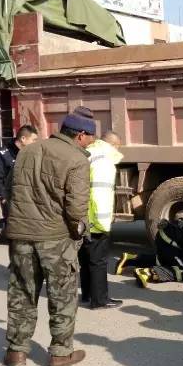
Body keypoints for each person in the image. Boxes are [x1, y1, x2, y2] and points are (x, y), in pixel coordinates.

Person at [4, 107, 95, 366]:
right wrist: (78, 235)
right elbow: (77, 209)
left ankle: (16, 352)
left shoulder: (27, 151)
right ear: (80, 135)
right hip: (55, 239)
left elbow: (10, 189)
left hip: (21, 236)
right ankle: (60, 353)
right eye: (91, 137)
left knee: (21, 292)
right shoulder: (77, 159)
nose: (92, 142)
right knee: (62, 296)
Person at [78, 131, 124, 310]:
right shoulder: (105, 161)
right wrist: (103, 223)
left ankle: (87, 295)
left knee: (85, 259)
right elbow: (99, 193)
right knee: (98, 261)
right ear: (113, 145)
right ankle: (100, 300)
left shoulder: (89, 154)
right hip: (96, 221)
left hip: (84, 217)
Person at [118, 218, 183, 288]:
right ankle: (147, 273)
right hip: (168, 241)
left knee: (164, 261)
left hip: (167, 236)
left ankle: (131, 259)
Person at [0, 125, 38, 213]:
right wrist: (4, 198)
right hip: (12, 203)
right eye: (34, 140)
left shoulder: (30, 154)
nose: (35, 143)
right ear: (23, 139)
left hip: (29, 202)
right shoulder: (2, 153)